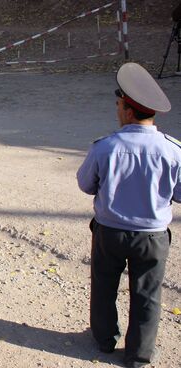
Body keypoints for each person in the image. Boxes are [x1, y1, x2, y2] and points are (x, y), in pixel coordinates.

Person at [77, 62, 177, 368]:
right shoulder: (174, 150)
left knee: (104, 285)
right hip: (153, 237)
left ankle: (105, 340)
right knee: (147, 294)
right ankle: (139, 355)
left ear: (130, 111)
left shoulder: (105, 148)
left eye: (120, 105)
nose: (117, 109)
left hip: (109, 231)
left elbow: (85, 184)